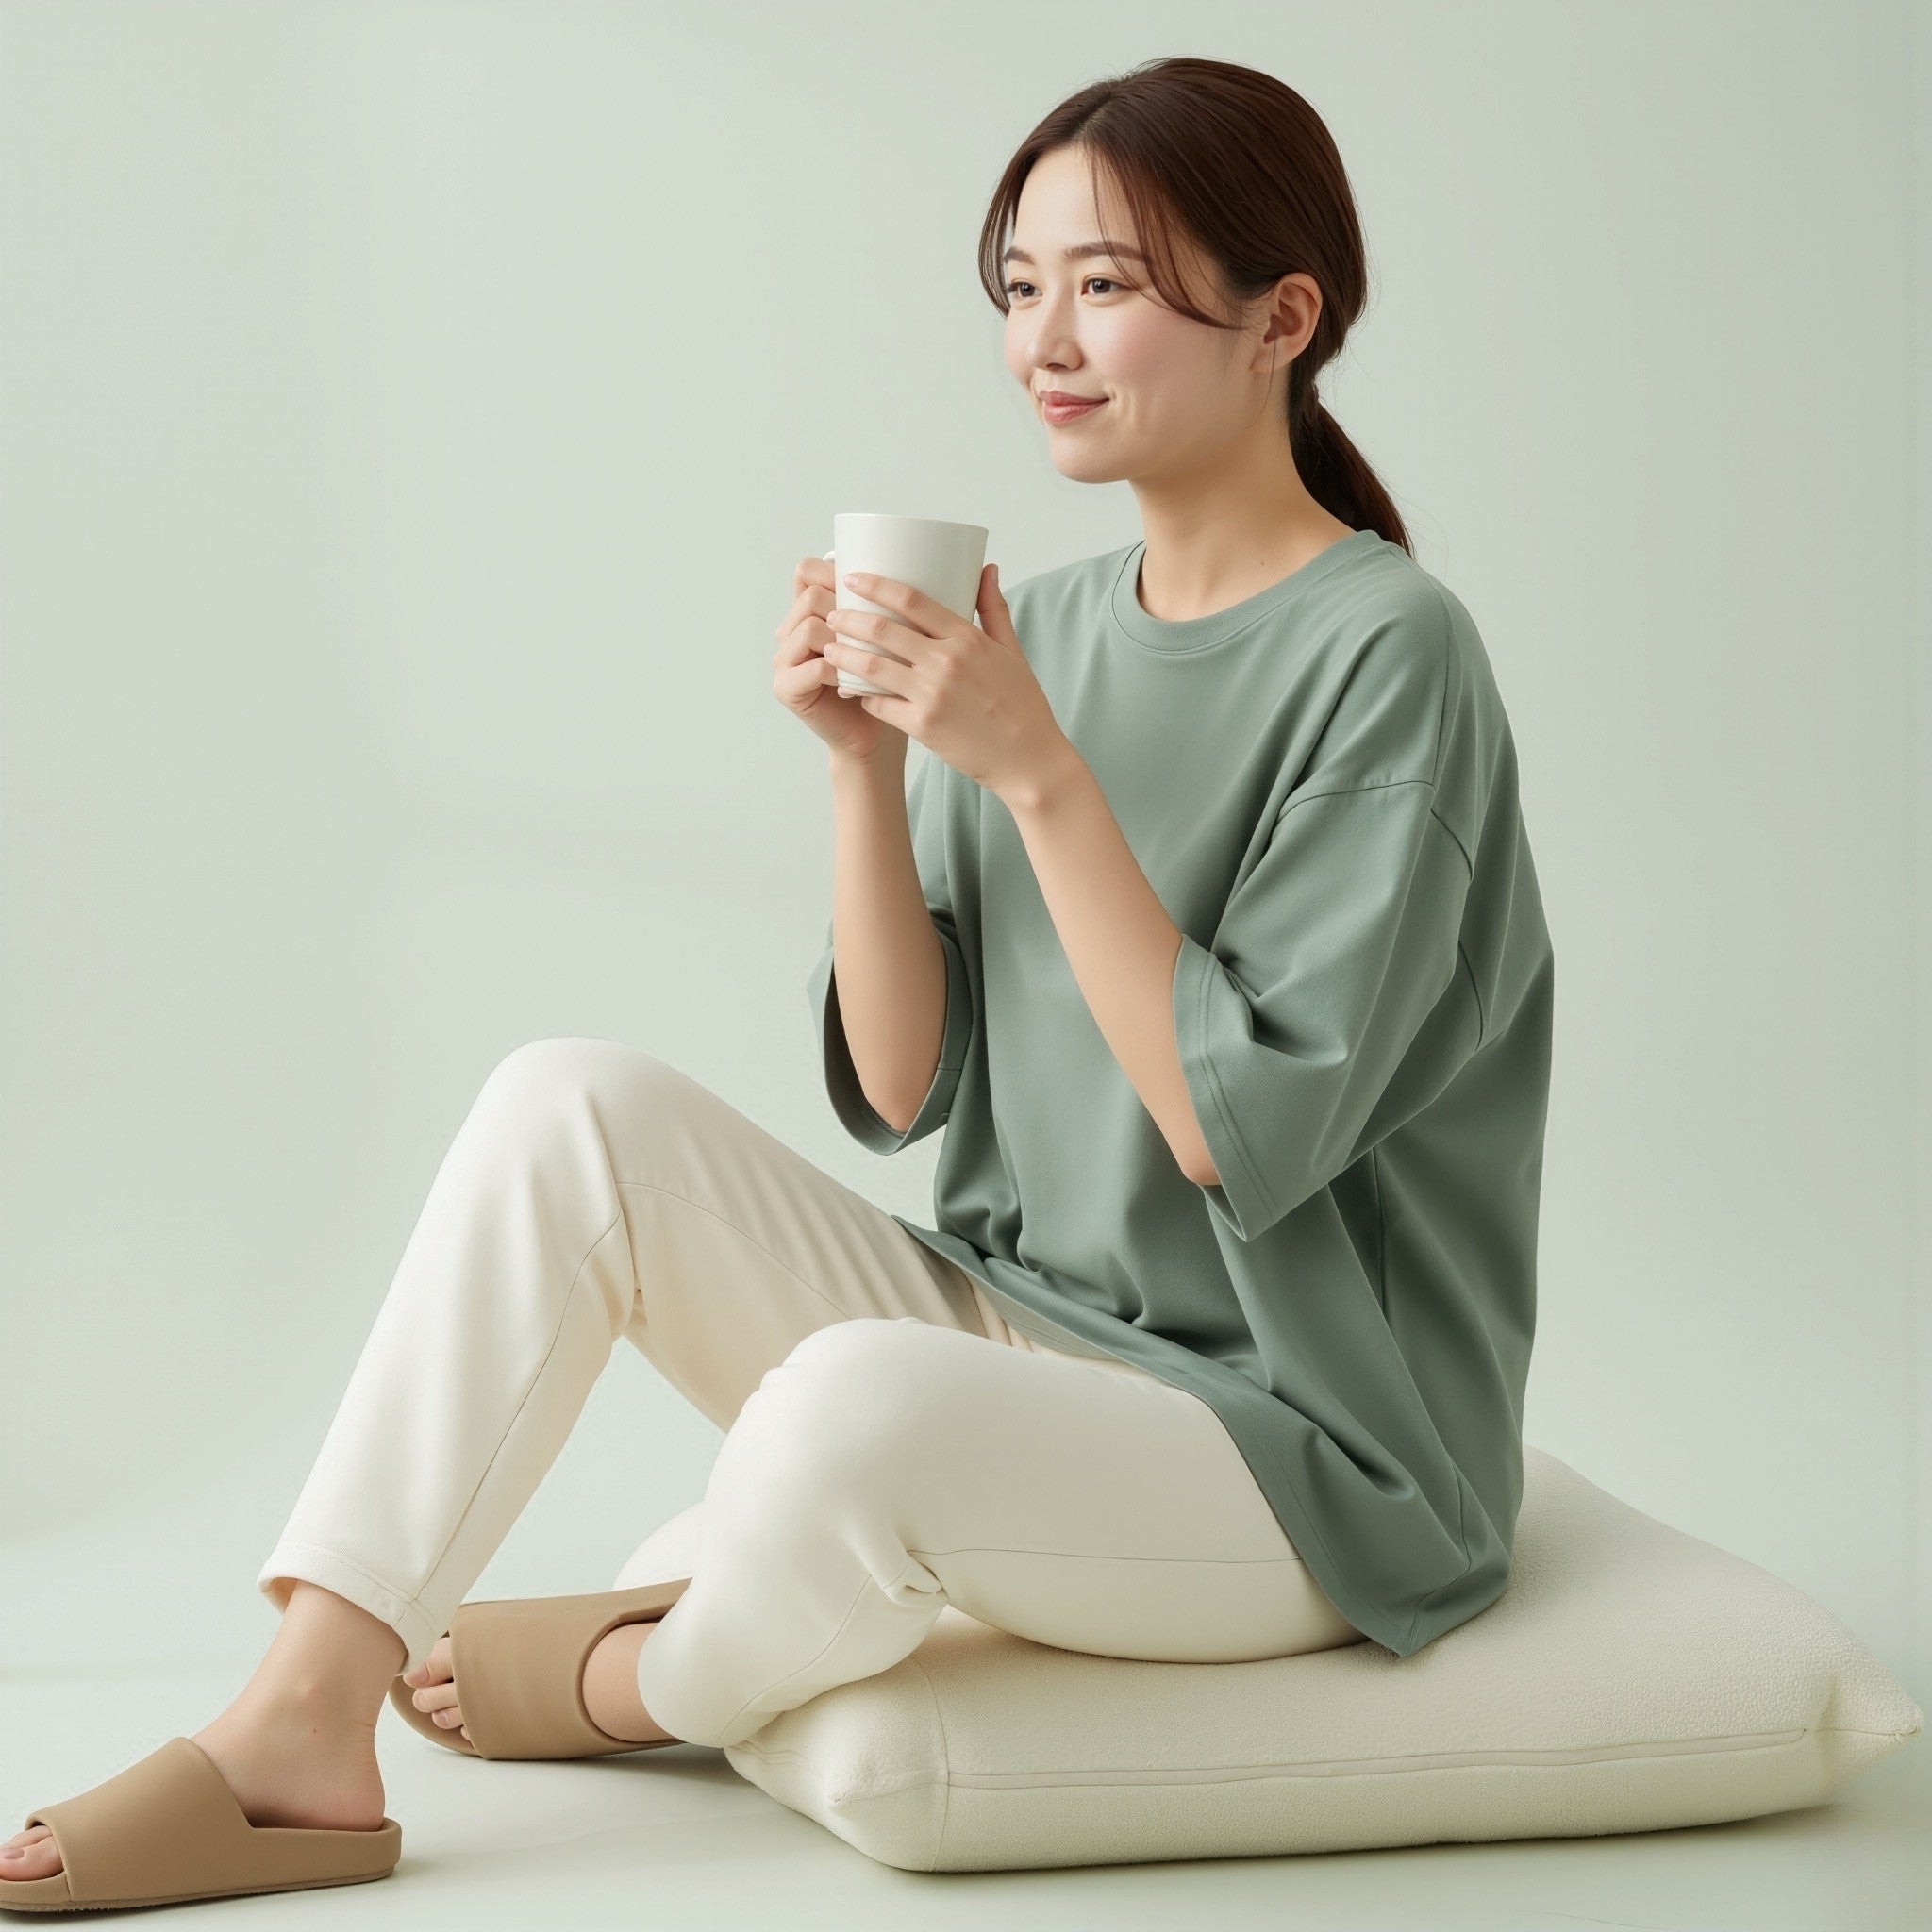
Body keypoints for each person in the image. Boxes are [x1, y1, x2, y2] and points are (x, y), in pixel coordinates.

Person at [3, 53, 1552, 1908]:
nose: (1043, 342)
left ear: (1280, 319)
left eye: (1107, 286)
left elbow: (1241, 1130)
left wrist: (1040, 775)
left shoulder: (1390, 655)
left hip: (1301, 1451)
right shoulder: (1038, 624)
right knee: (563, 1102)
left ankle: (632, 1674)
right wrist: (864, 766)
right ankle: (298, 1726)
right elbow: (906, 1090)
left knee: (844, 1416)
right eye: (1020, 288)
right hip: (1027, 1333)